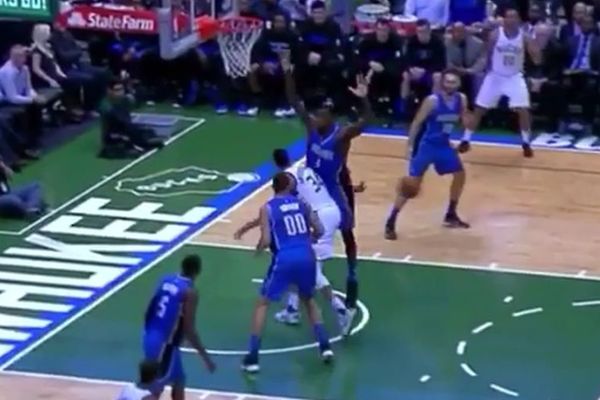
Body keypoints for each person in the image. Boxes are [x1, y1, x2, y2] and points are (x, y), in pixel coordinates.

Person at [281, 50, 372, 332]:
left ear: (328, 115)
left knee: (341, 237)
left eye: (317, 114)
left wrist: (364, 98)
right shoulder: (311, 127)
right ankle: (293, 306)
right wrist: (287, 72)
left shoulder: (341, 135)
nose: (312, 116)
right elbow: (293, 101)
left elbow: (367, 121)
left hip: (330, 195)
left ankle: (350, 277)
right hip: (308, 194)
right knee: (298, 249)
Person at [234, 148, 352, 335]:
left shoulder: (286, 179)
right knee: (300, 262)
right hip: (332, 211)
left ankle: (340, 309)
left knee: (310, 268)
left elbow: (274, 210)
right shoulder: (305, 169)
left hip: (320, 215)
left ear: (275, 163)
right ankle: (292, 309)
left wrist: (247, 227)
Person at [241, 172, 333, 372]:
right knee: (309, 300)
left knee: (262, 303)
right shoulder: (302, 204)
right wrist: (309, 239)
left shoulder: (267, 208)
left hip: (284, 258)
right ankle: (325, 347)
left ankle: (252, 358)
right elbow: (319, 230)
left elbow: (266, 240)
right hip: (307, 255)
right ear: (289, 186)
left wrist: (258, 249)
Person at [385, 70, 470, 240]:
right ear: (442, 83)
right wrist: (409, 147)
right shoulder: (432, 101)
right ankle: (391, 221)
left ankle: (451, 213)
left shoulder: (461, 99)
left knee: (460, 175)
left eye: (453, 82)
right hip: (426, 146)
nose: (450, 85)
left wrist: (464, 140)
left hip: (444, 145)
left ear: (459, 84)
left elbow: (464, 121)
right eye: (447, 82)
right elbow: (416, 123)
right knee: (411, 185)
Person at [459, 7, 541, 158]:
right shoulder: (496, 35)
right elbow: (486, 54)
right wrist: (477, 70)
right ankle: (465, 140)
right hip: (495, 76)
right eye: (508, 17)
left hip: (514, 77)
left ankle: (526, 143)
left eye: (514, 17)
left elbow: (537, 59)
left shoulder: (524, 37)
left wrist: (535, 47)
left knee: (523, 110)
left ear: (518, 20)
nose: (511, 20)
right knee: (479, 109)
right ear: (504, 20)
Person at [143, 254, 216, 400]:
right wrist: (205, 357)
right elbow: (189, 329)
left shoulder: (165, 280)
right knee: (156, 388)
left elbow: (150, 308)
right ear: (197, 271)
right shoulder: (190, 292)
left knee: (179, 379)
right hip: (165, 345)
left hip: (150, 335)